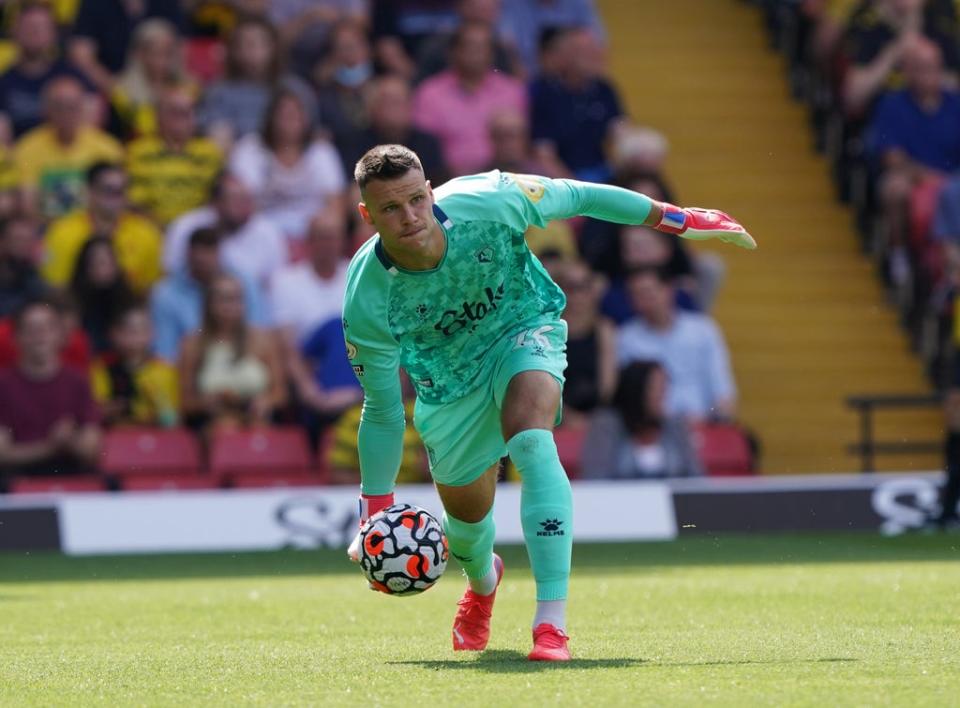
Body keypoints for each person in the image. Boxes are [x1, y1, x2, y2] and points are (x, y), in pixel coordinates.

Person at [342, 144, 755, 661]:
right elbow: (380, 410)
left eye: (416, 200)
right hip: (448, 390)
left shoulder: (489, 198)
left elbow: (579, 195)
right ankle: (482, 581)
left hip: (525, 329)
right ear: (367, 215)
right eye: (390, 209)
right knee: (468, 525)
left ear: (429, 190)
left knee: (531, 436)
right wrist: (372, 516)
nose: (409, 218)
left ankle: (551, 624)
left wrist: (679, 219)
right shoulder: (366, 297)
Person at [867, 37, 960, 287]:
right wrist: (931, 179)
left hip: (953, 184)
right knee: (893, 188)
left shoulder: (955, 104)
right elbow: (891, 157)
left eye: (934, 67)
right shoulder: (892, 104)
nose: (930, 75)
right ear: (907, 70)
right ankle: (899, 256)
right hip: (916, 181)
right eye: (922, 67)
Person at [270, 209, 361, 429]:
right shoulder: (286, 281)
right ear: (308, 241)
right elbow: (288, 348)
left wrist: (360, 393)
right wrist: (312, 395)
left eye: (332, 236)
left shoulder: (358, 276)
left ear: (343, 241)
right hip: (309, 383)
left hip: (357, 378)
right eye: (320, 236)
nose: (327, 243)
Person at [617, 264, 737, 423]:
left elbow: (722, 387)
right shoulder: (626, 338)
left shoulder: (703, 330)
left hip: (703, 423)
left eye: (648, 292)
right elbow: (630, 397)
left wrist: (716, 418)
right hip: (652, 429)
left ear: (669, 289)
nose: (645, 300)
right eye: (637, 295)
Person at [0, 297, 101, 479]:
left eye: (46, 329)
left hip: (71, 473)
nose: (40, 336)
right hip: (18, 478)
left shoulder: (78, 381)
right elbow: (2, 453)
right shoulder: (3, 385)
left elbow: (91, 448)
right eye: (31, 330)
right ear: (16, 338)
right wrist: (49, 446)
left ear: (62, 335)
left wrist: (70, 441)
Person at [229, 88, 346, 241]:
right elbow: (241, 200)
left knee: (330, 223)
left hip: (312, 231)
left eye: (296, 114)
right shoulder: (250, 149)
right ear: (270, 118)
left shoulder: (321, 151)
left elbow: (335, 202)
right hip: (263, 228)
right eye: (284, 115)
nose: (290, 120)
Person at [412, 21, 527, 176]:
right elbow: (425, 148)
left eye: (482, 47)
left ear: (492, 53)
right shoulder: (430, 93)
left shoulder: (511, 90)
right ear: (453, 52)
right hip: (448, 180)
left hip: (504, 178)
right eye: (469, 47)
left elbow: (521, 143)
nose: (476, 53)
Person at [178, 272, 286, 430]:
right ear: (209, 303)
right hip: (213, 422)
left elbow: (280, 393)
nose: (228, 306)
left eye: (235, 299)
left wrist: (265, 401)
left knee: (259, 429)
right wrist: (204, 403)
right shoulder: (192, 343)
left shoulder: (263, 340)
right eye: (222, 299)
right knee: (226, 428)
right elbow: (185, 402)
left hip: (256, 418)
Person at [42, 161, 163, 295]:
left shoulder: (146, 233)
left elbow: (150, 289)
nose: (117, 198)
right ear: (90, 191)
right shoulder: (62, 232)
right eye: (109, 191)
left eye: (121, 191)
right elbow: (56, 287)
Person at [13, 76, 124, 220]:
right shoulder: (26, 149)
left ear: (82, 108)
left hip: (92, 230)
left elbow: (116, 199)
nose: (65, 114)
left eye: (72, 107)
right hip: (46, 229)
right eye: (58, 107)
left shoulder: (108, 148)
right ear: (46, 110)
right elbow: (27, 205)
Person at [151, 226, 268, 362]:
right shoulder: (166, 293)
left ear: (219, 253)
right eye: (198, 253)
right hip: (190, 367)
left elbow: (259, 332)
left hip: (244, 361)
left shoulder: (243, 283)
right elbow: (166, 352)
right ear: (188, 254)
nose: (203, 259)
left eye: (209, 252)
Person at [529, 26, 625, 182]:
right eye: (584, 51)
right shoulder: (544, 93)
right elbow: (544, 155)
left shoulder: (604, 89)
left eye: (595, 48)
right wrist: (578, 193)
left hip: (604, 177)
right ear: (563, 56)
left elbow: (621, 133)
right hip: (563, 183)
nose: (595, 55)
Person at [581, 360, 703, 479]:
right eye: (657, 388)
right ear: (637, 390)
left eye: (665, 387)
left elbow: (695, 480)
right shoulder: (606, 425)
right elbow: (595, 478)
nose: (663, 394)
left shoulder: (676, 426)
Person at [163, 172, 287, 289]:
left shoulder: (268, 232)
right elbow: (172, 275)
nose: (245, 206)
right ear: (216, 202)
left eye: (248, 199)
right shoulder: (186, 227)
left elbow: (274, 285)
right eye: (236, 199)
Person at [126, 85, 222, 226]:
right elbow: (134, 202)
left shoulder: (210, 153)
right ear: (158, 116)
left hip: (198, 228)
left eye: (187, 113)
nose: (181, 120)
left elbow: (215, 200)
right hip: (150, 226)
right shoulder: (138, 152)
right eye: (175, 112)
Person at [0, 1, 93, 139]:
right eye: (29, 27)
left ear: (54, 33)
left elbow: (92, 113)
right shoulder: (4, 82)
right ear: (15, 31)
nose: (35, 32)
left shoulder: (71, 75)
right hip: (22, 156)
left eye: (41, 27)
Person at [91, 304, 178, 428]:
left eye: (142, 329)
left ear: (152, 333)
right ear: (113, 333)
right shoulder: (102, 368)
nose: (135, 337)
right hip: (114, 434)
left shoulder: (164, 370)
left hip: (157, 435)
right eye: (128, 330)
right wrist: (110, 409)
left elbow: (172, 418)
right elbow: (95, 409)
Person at [553, 259, 617, 425]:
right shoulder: (548, 333)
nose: (578, 296)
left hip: (597, 418)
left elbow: (608, 387)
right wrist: (569, 418)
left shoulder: (604, 330)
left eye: (583, 287)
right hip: (556, 419)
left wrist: (595, 420)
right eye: (571, 288)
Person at [109, 18, 190, 140]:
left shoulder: (189, 89)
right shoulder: (122, 93)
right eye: (156, 53)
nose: (163, 61)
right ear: (140, 55)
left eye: (168, 53)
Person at [67, 236, 137, 354]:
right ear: (85, 266)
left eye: (107, 261)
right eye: (96, 262)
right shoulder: (71, 304)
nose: (102, 267)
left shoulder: (129, 302)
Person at [0, 216, 46, 318]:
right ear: (2, 242)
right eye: (18, 239)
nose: (24, 245)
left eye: (29, 239)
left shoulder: (36, 279)